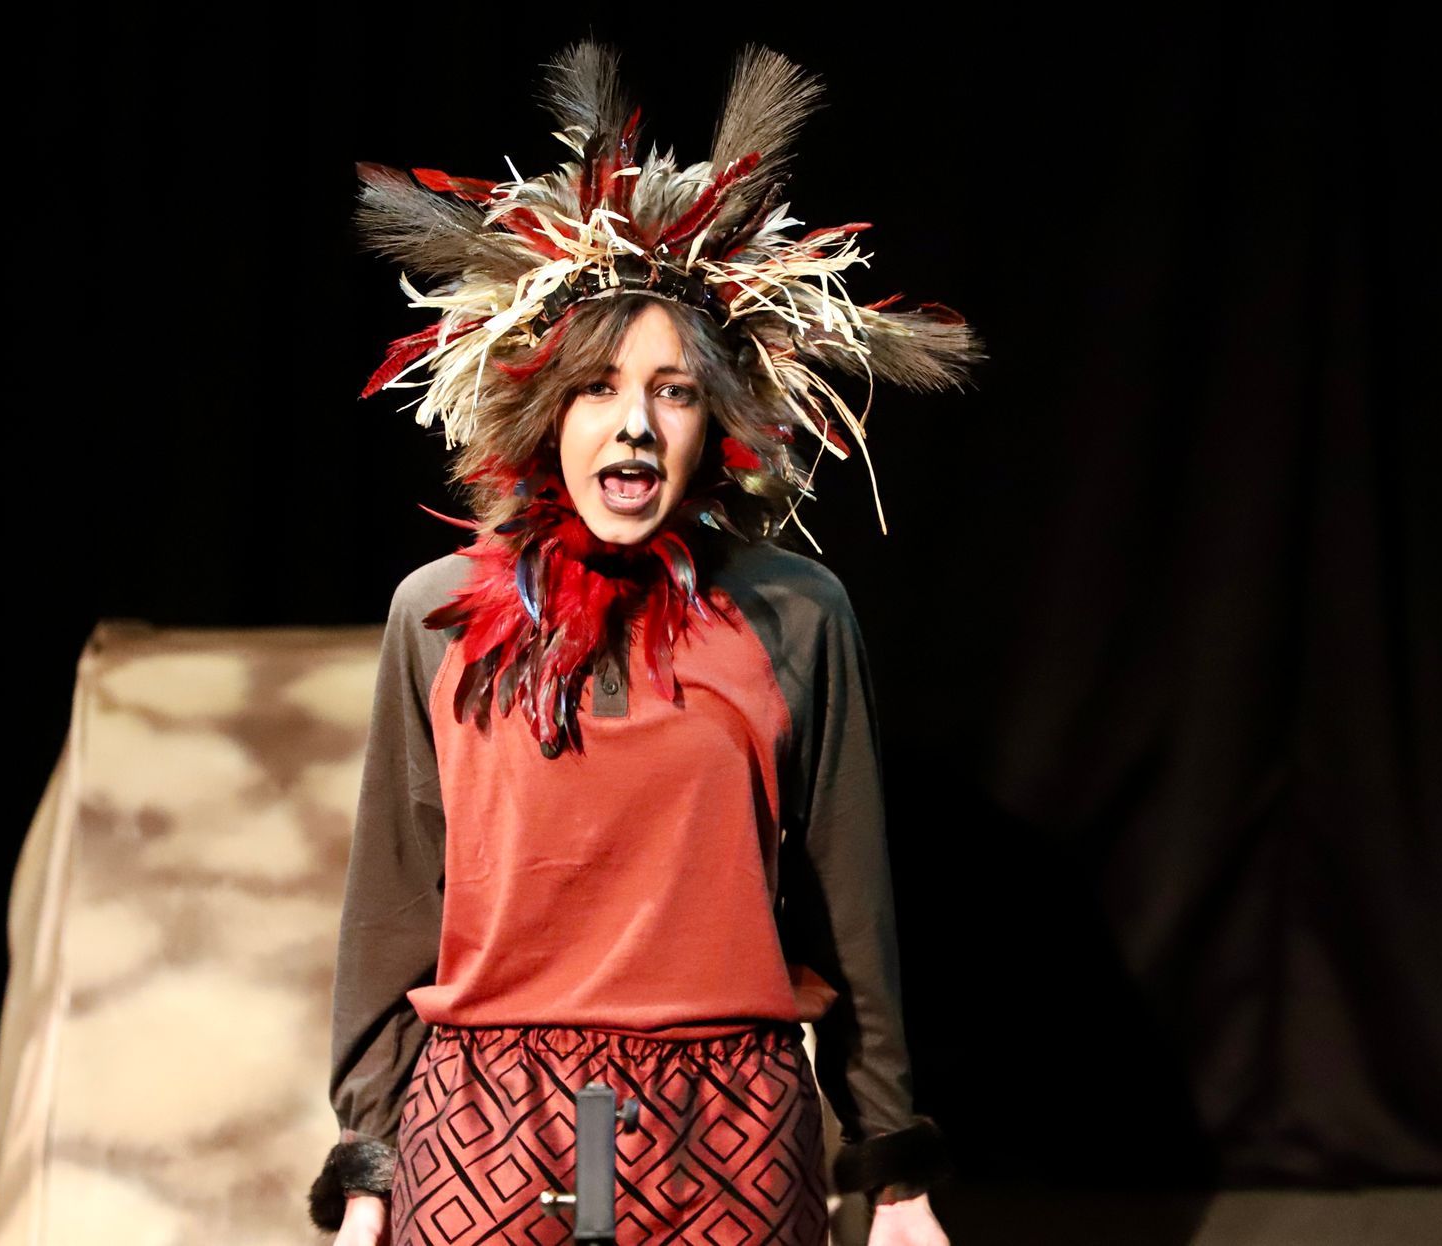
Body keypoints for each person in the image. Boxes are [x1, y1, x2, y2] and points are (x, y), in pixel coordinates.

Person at [309, 41, 981, 1245]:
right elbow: (393, 909)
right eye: (598, 387)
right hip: (483, 1133)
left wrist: (895, 1171)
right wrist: (368, 1167)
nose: (633, 423)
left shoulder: (795, 614)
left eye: (672, 390)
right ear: (542, 408)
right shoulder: (435, 614)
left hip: (729, 1122)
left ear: (713, 422)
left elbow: (851, 909)